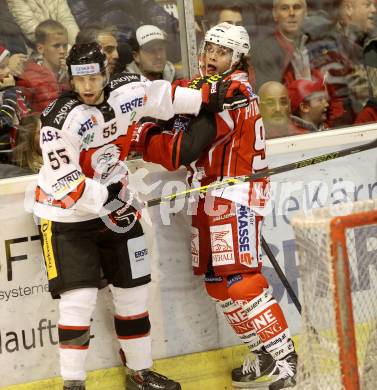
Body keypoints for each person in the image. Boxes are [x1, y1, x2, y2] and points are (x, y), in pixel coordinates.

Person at [33, 41, 250, 390]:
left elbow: (165, 96)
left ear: (106, 73)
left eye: (93, 78)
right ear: (70, 80)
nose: (87, 87)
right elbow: (67, 185)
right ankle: (73, 383)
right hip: (66, 218)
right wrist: (111, 198)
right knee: (79, 301)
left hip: (119, 207)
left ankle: (140, 372)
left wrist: (211, 97)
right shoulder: (58, 121)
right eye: (79, 80)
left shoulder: (126, 90)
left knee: (133, 293)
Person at [132, 22, 298, 390]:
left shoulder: (234, 88)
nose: (211, 57)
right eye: (209, 48)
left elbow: (180, 148)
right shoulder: (209, 87)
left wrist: (141, 129)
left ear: (237, 58)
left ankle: (287, 358)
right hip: (206, 193)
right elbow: (181, 105)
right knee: (216, 285)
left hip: (234, 192)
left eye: (221, 52)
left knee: (239, 281)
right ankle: (263, 351)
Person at [252, 0, 310, 90]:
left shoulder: (316, 43)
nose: (291, 13)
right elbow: (271, 96)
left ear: (306, 12)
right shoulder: (264, 52)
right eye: (285, 8)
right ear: (275, 14)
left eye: (297, 7)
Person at [17, 20, 70, 113]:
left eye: (65, 45)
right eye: (56, 46)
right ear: (40, 48)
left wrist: (71, 76)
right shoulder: (29, 78)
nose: (62, 51)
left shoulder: (69, 73)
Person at [0, 44, 29, 162]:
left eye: (7, 66)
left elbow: (26, 116)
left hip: (20, 152)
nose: (8, 71)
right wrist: (10, 91)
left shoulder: (12, 90)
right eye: (2, 67)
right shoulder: (10, 91)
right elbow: (4, 122)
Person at [7, 0, 79, 46]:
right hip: (40, 52)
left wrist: (78, 46)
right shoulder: (15, 1)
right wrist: (66, 49)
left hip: (63, 46)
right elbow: (35, 33)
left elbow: (67, 20)